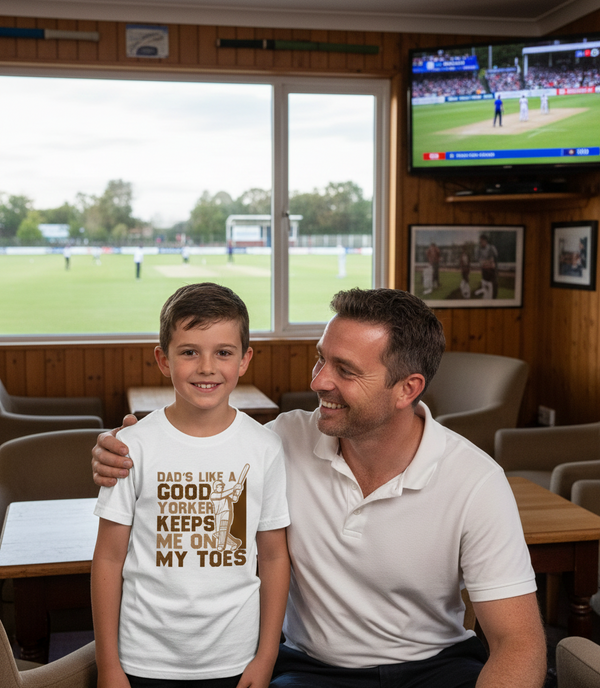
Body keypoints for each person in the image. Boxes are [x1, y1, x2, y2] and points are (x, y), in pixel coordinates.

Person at [93, 288, 547, 688]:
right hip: (311, 669)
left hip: (437, 667)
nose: (317, 381)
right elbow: (198, 443)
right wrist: (119, 446)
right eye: (320, 358)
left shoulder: (476, 480)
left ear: (407, 389)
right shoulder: (281, 441)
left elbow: (518, 642)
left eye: (344, 370)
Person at [91, 282, 290, 688]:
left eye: (223, 352)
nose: (206, 367)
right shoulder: (131, 445)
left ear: (245, 359)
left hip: (235, 656)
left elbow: (272, 558)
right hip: (144, 657)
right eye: (189, 352)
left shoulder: (266, 446)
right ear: (163, 360)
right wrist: (109, 665)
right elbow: (109, 558)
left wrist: (266, 657)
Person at [475, 234, 499, 299]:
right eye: (480, 242)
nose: (480, 243)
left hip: (492, 272)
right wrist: (486, 262)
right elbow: (479, 261)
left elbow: (495, 258)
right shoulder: (478, 250)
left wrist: (491, 264)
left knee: (493, 291)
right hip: (485, 272)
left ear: (486, 241)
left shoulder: (492, 248)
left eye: (481, 241)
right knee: (485, 291)